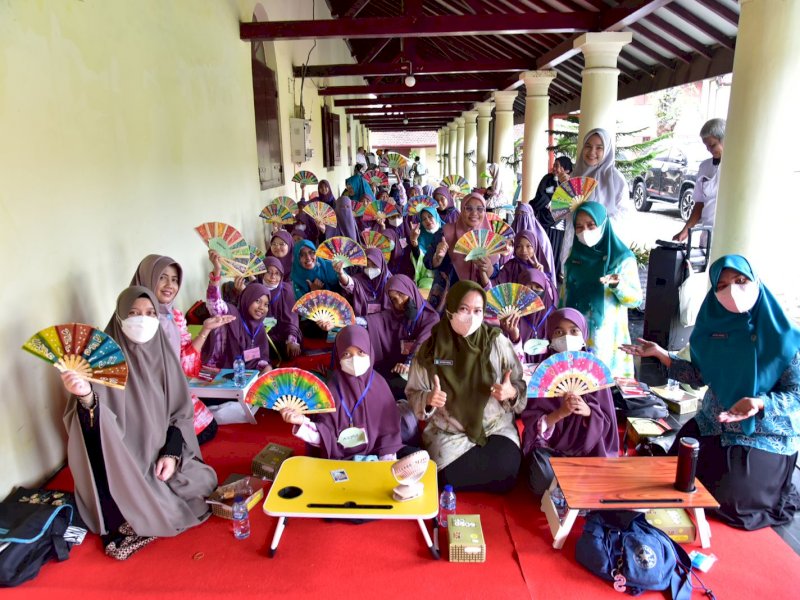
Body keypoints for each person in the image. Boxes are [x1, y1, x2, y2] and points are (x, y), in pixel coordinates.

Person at [621, 255, 800, 529]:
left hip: (761, 434)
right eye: (722, 285)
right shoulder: (713, 329)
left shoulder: (785, 339)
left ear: (756, 282)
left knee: (730, 501)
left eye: (741, 280)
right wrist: (661, 354)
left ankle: (775, 486)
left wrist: (761, 403)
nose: (733, 291)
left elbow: (796, 395)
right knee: (677, 473)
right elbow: (699, 376)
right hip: (712, 423)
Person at [61, 287, 217, 559]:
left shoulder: (162, 353)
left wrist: (171, 454)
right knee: (150, 506)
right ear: (119, 317)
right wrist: (85, 396)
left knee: (203, 482)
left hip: (160, 451)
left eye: (149, 313)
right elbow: (93, 436)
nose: (142, 320)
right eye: (133, 313)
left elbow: (180, 413)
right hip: (124, 460)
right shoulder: (102, 361)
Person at [406, 281, 527, 493]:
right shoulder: (430, 350)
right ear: (450, 308)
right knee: (449, 475)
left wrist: (511, 392)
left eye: (477, 311)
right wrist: (428, 399)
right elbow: (413, 392)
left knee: (507, 469)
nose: (471, 317)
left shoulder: (497, 342)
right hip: (449, 432)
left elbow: (519, 382)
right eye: (464, 309)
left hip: (494, 427)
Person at [129, 255, 231, 444]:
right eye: (162, 277)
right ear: (147, 278)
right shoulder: (133, 319)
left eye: (174, 280)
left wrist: (206, 329)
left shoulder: (173, 315)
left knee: (209, 427)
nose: (170, 285)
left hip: (174, 388)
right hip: (146, 397)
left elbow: (185, 363)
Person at [521, 308, 619, 495]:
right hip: (551, 451)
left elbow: (609, 425)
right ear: (550, 337)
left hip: (589, 450)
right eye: (559, 332)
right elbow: (532, 425)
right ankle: (569, 486)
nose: (566, 337)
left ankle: (568, 486)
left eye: (574, 331)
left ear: (584, 336)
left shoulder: (594, 371)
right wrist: (559, 414)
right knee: (543, 477)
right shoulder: (543, 372)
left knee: (601, 473)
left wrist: (589, 413)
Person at [281, 325, 404, 461]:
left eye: (361, 352)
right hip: (342, 460)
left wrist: (384, 463)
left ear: (370, 351)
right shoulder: (331, 390)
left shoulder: (380, 386)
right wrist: (301, 422)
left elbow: (389, 436)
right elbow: (325, 437)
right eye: (346, 354)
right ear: (338, 356)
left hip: (375, 460)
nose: (354, 360)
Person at [563, 202, 642, 378]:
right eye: (579, 227)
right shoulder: (573, 258)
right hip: (575, 336)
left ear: (603, 224)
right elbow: (564, 298)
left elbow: (636, 300)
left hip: (608, 342)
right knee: (576, 385)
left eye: (591, 225)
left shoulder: (621, 259)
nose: (585, 232)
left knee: (605, 387)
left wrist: (617, 285)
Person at [561, 128, 630, 266]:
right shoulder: (576, 175)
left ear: (607, 150)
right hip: (576, 244)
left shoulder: (616, 179)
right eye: (588, 146)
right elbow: (566, 212)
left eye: (599, 148)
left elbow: (623, 214)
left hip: (602, 247)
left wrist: (596, 226)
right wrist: (565, 191)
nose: (592, 152)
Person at [365, 274, 440, 396]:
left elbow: (422, 343)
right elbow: (379, 320)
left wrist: (409, 363)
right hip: (399, 366)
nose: (399, 302)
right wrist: (356, 321)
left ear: (411, 291)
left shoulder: (431, 318)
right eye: (394, 299)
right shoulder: (398, 314)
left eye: (401, 294)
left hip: (420, 367)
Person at [204, 250, 273, 373]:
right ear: (247, 299)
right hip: (225, 371)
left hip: (248, 374)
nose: (262, 307)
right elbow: (214, 304)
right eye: (257, 301)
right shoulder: (233, 315)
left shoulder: (259, 327)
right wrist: (217, 271)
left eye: (266, 304)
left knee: (268, 368)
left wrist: (264, 367)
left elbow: (260, 358)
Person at [424, 193, 499, 294]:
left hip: (477, 296)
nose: (474, 213)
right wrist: (437, 258)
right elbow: (427, 261)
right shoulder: (445, 232)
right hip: (447, 295)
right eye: (469, 208)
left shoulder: (490, 237)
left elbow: (495, 273)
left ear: (484, 211)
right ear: (462, 210)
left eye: (479, 209)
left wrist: (488, 267)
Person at [673, 118, 725, 242]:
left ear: (725, 140)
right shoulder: (704, 167)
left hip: (727, 237)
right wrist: (685, 230)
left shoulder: (737, 168)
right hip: (707, 236)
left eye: (712, 145)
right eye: (706, 146)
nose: (709, 149)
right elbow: (699, 204)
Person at [499, 268, 558, 364]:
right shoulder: (511, 316)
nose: (533, 292)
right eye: (527, 287)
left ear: (545, 289)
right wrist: (514, 337)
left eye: (538, 287)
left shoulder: (554, 316)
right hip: (520, 368)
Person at [261, 257, 302, 361]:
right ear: (262, 273)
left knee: (291, 350)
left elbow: (292, 318)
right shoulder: (255, 288)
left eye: (277, 273)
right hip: (260, 335)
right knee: (255, 350)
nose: (273, 277)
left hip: (281, 334)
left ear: (281, 275)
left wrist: (291, 339)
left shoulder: (286, 290)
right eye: (269, 272)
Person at [335, 247, 391, 317]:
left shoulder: (389, 281)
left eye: (374, 265)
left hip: (383, 318)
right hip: (363, 318)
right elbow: (349, 283)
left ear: (381, 264)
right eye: (367, 265)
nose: (370, 269)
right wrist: (341, 274)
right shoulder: (359, 279)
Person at [531, 156, 573, 230]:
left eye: (557, 166)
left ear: (566, 170)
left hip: (560, 226)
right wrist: (553, 196)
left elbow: (570, 203)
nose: (554, 168)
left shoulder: (571, 184)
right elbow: (539, 196)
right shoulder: (547, 179)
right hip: (542, 219)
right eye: (554, 165)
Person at [407, 205, 441, 292]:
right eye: (424, 219)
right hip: (428, 276)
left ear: (436, 216)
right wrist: (414, 241)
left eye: (430, 216)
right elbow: (418, 257)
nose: (428, 221)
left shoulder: (447, 231)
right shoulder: (419, 236)